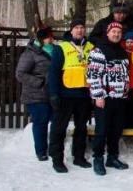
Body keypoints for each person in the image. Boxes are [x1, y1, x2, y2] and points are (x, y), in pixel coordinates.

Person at [48, 18, 94, 173]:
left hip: (84, 94)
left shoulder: (91, 47)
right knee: (59, 127)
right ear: (71, 30)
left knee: (81, 127)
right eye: (77, 28)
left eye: (82, 27)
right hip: (65, 94)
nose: (80, 30)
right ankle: (57, 159)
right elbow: (54, 72)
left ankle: (79, 156)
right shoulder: (62, 47)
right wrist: (53, 93)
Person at [86, 22, 131, 176]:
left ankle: (112, 157)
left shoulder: (123, 51)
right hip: (104, 98)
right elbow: (92, 75)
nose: (116, 34)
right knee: (102, 130)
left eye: (119, 32)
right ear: (107, 33)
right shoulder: (98, 51)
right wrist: (98, 95)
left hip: (120, 98)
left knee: (116, 129)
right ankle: (98, 158)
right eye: (114, 32)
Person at [16, 25, 54, 161]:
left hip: (51, 93)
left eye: (51, 37)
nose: (51, 39)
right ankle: (41, 151)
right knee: (40, 122)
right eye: (48, 37)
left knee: (56, 120)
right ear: (42, 38)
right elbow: (20, 74)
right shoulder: (30, 53)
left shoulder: (53, 51)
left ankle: (54, 148)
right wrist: (40, 82)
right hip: (36, 94)